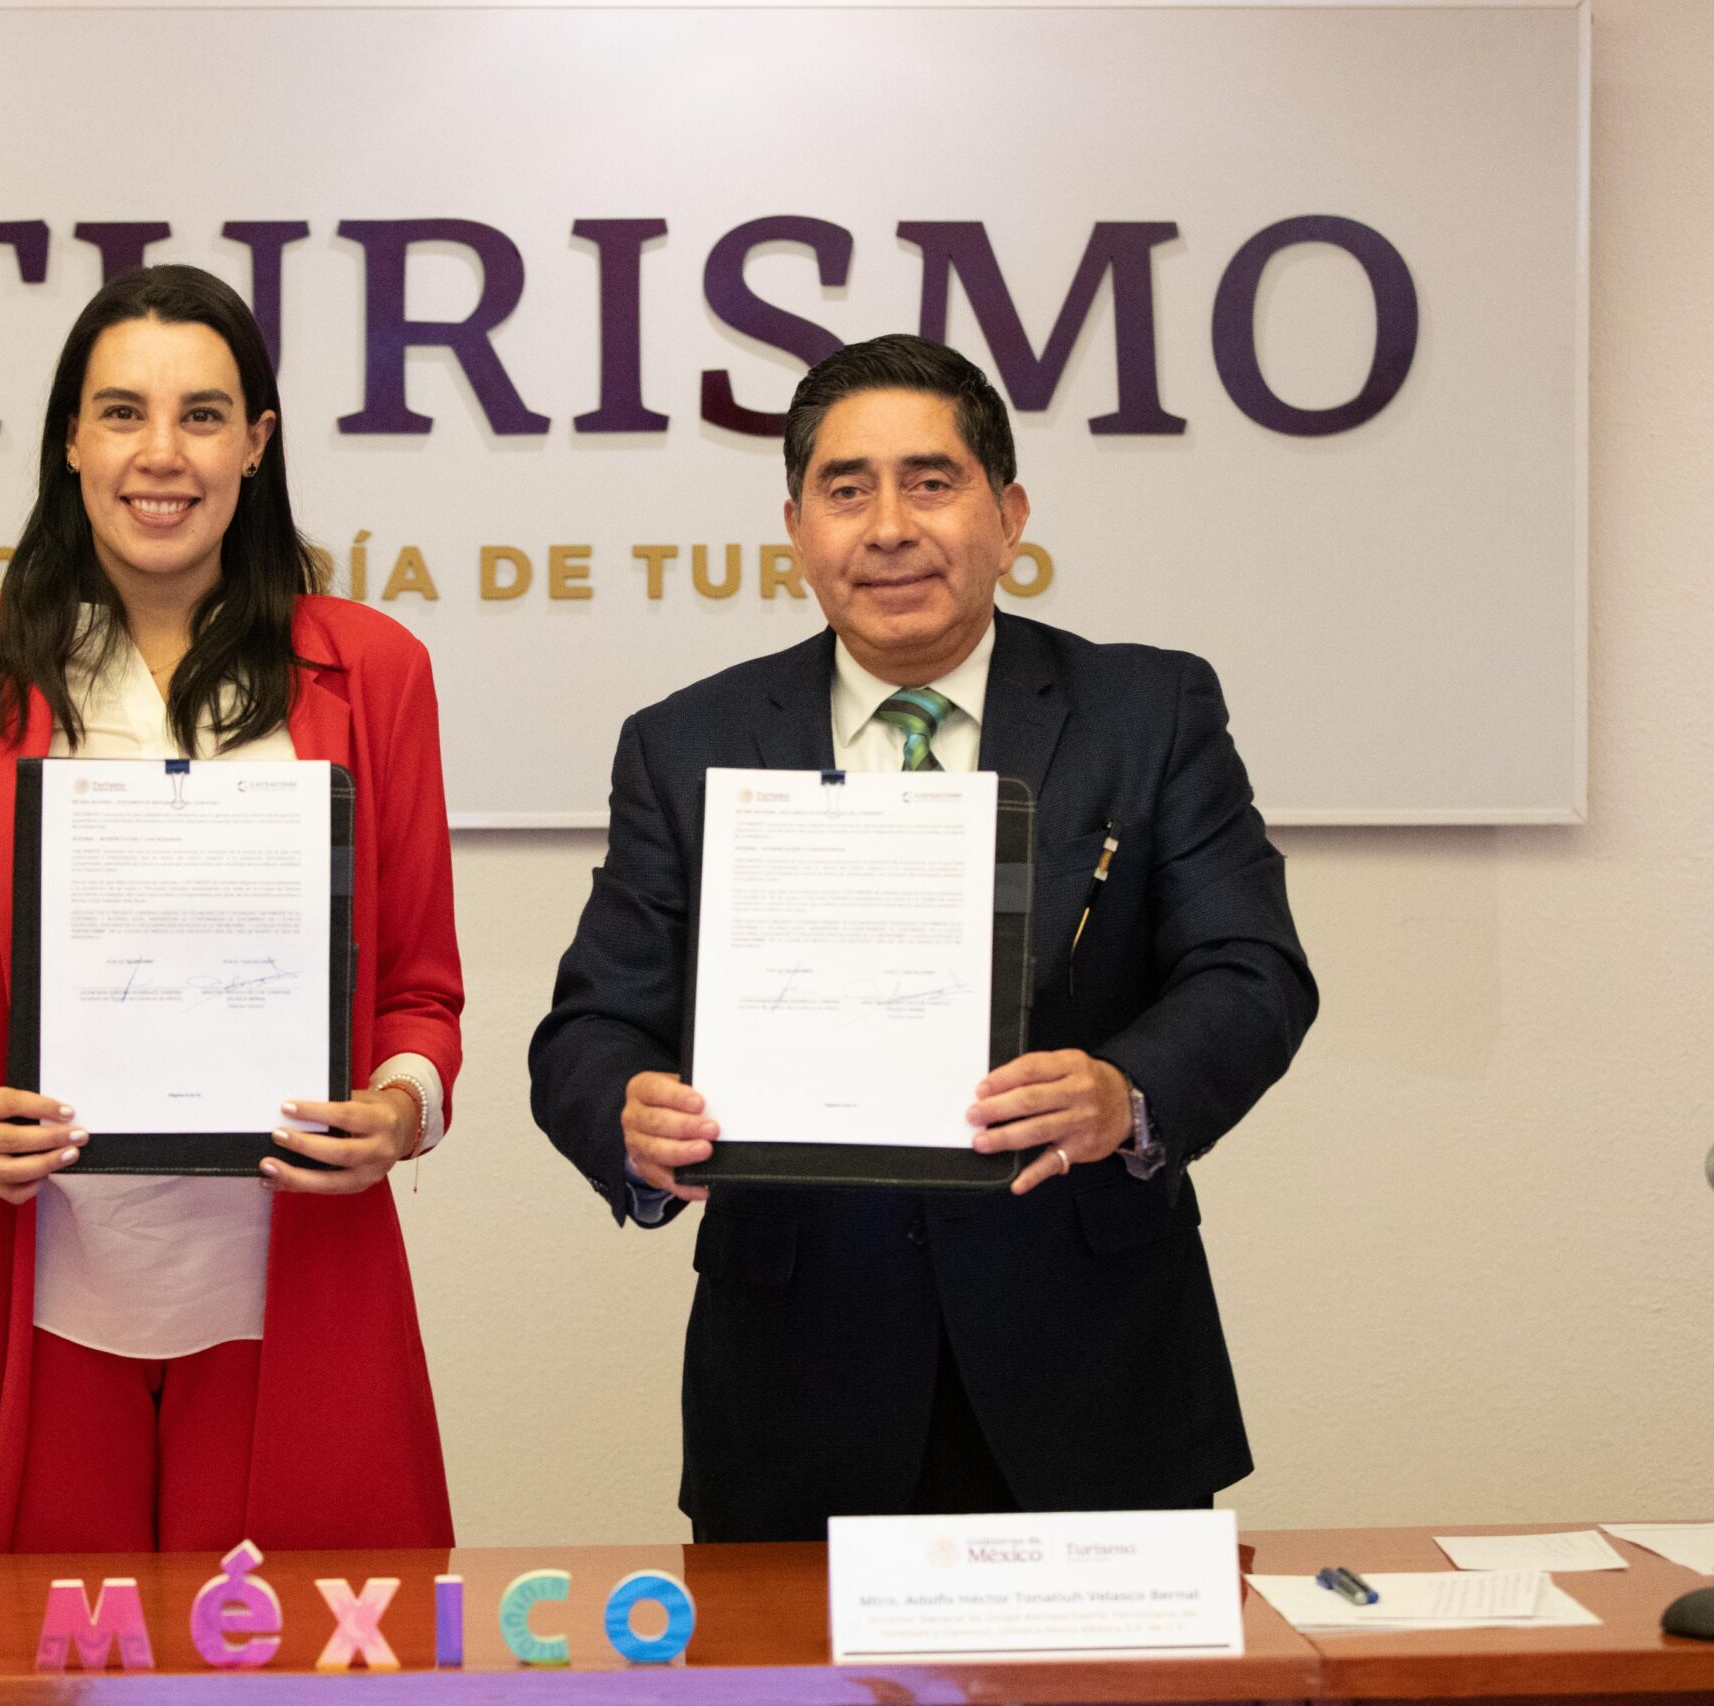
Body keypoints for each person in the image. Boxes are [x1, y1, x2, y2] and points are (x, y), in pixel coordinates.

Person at [528, 334, 1317, 1540]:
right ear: (796, 527)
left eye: (930, 482)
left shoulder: (1146, 711)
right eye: (846, 490)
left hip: (1092, 1367)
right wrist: (625, 1114)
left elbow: (1250, 968)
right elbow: (590, 1024)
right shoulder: (688, 742)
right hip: (797, 1380)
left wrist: (1124, 1091)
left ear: (1008, 514)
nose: (889, 527)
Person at [0, 266, 461, 1553]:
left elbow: (420, 993)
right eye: (122, 411)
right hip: (31, 1272)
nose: (161, 453)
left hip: (291, 1271)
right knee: (35, 1647)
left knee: (299, 1645)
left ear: (257, 443)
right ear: (70, 439)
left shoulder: (376, 670)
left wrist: (400, 1109)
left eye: (203, 415)